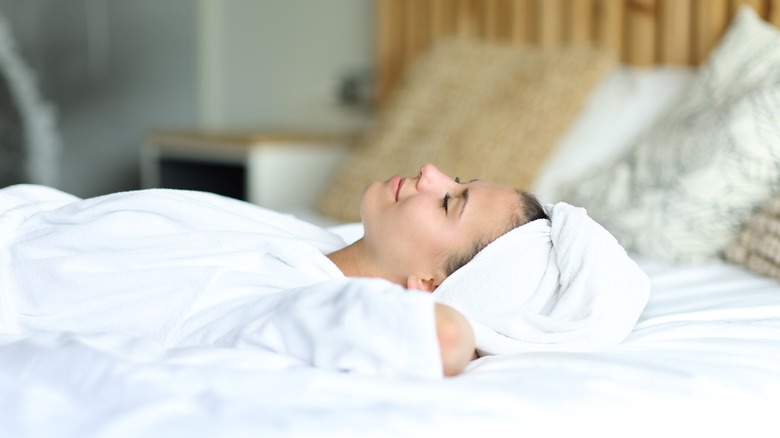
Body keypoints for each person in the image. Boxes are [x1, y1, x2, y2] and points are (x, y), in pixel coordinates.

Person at [0, 163, 546, 377]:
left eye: (449, 202)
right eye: (457, 179)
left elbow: (442, 335)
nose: (431, 172)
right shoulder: (316, 241)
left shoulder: (304, 303)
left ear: (428, 284)